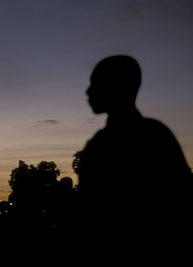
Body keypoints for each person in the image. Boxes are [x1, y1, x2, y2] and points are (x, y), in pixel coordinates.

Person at [78, 55, 192, 236]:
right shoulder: (155, 133)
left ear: (118, 86)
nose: (88, 91)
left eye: (96, 83)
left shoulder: (153, 135)